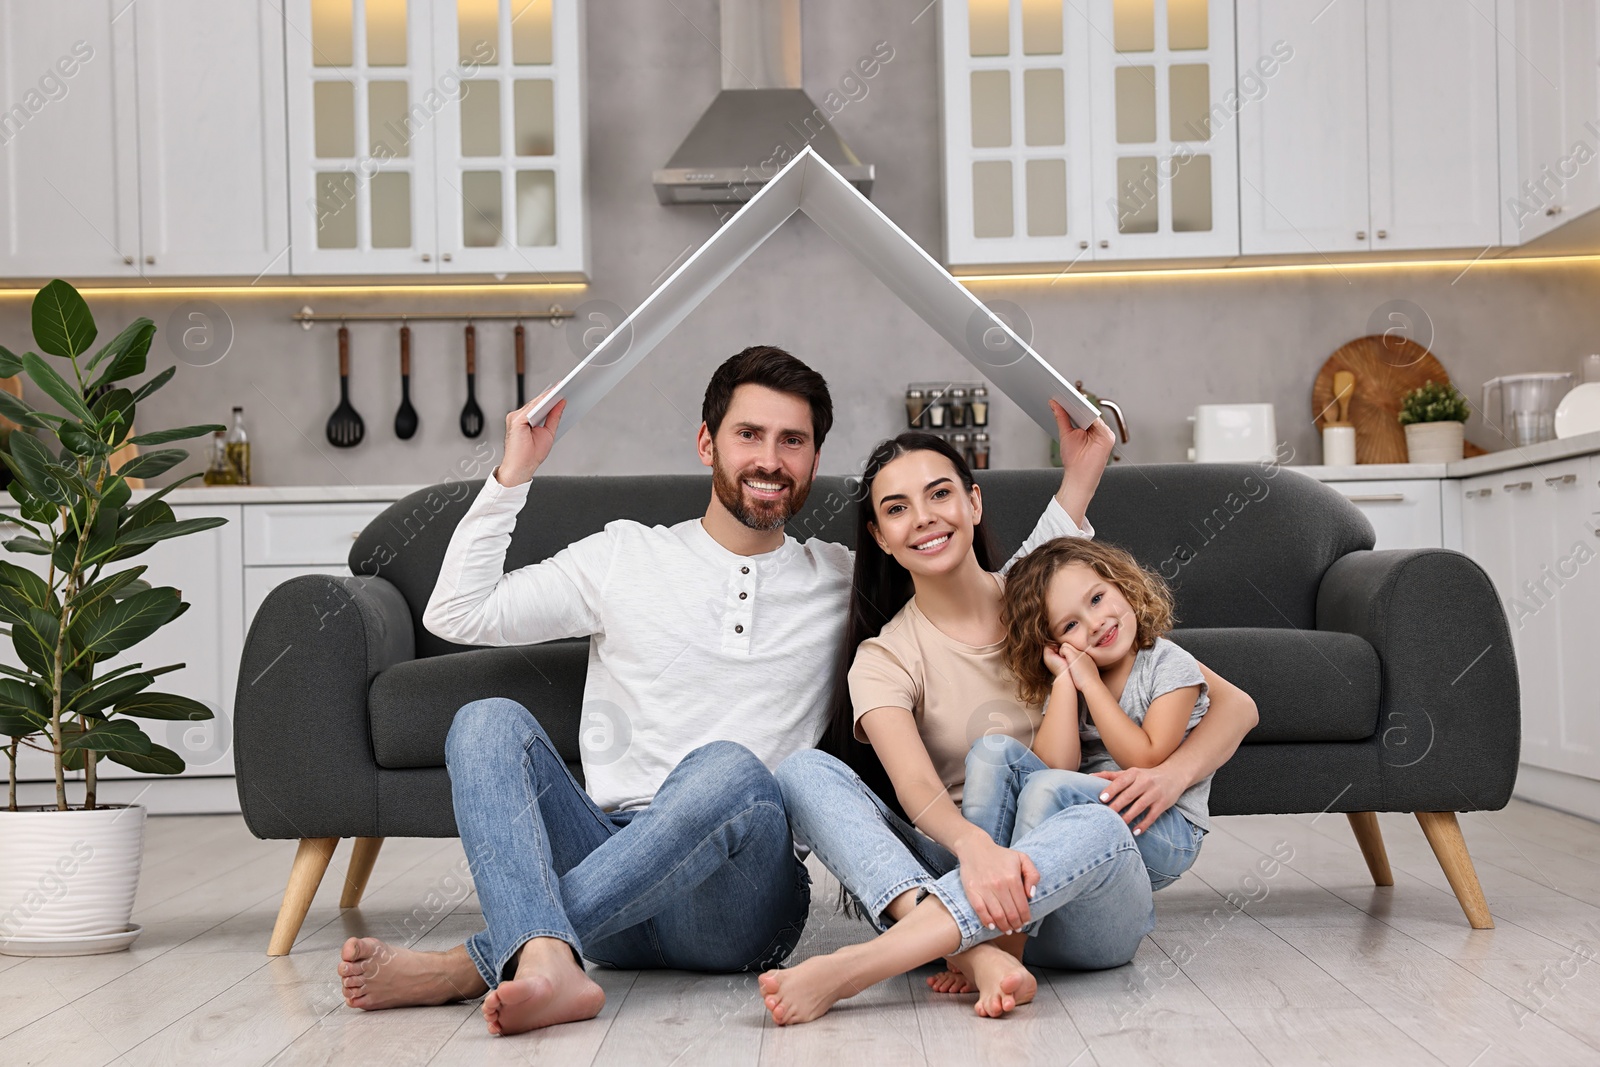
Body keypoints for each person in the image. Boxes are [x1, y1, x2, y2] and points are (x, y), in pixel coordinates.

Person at [336, 346, 1116, 1036]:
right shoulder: (623, 556)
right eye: (749, 434)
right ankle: (548, 958)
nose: (770, 458)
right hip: (612, 854)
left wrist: (1078, 482)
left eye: (793, 441)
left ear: (814, 462)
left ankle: (477, 962)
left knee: (733, 767)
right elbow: (457, 612)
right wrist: (515, 472)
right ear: (708, 442)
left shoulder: (840, 579)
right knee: (484, 723)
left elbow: (989, 591)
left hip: (739, 900)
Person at [760, 433, 1258, 1025]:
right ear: (879, 537)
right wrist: (977, 851)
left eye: (938, 494)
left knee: (1096, 822)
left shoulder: (1046, 600)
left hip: (1076, 892)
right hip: (963, 868)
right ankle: (978, 950)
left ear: (973, 504)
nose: (923, 519)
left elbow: (1237, 706)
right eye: (896, 508)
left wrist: (1170, 778)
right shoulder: (883, 657)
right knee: (801, 773)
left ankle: (880, 960)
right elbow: (917, 789)